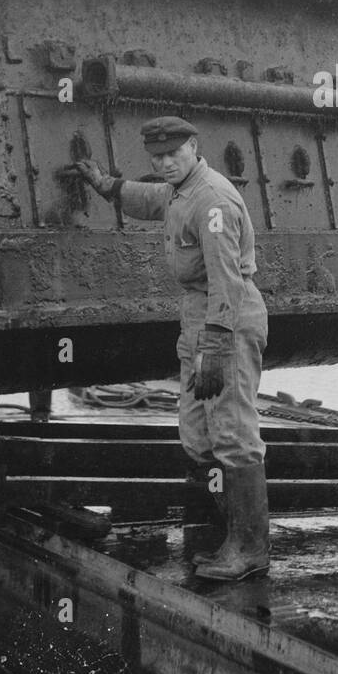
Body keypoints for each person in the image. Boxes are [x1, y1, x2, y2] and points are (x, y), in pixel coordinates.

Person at [73, 116, 270, 581]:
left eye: (172, 154)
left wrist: (217, 345)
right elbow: (154, 199)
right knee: (198, 433)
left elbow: (227, 280)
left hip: (227, 318)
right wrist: (108, 186)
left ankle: (251, 547)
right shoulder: (182, 190)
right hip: (198, 316)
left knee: (233, 431)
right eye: (157, 157)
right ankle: (227, 535)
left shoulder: (213, 201)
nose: (164, 164)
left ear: (193, 147)